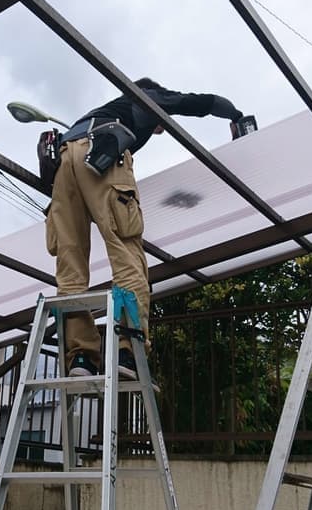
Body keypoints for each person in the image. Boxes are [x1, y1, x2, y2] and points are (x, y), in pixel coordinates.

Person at [45, 78, 244, 379]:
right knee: (127, 253)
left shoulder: (103, 111)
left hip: (63, 164)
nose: (159, 127)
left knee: (70, 265)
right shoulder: (144, 97)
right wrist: (236, 115)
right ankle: (128, 349)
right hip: (100, 148)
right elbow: (196, 102)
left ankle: (81, 358)